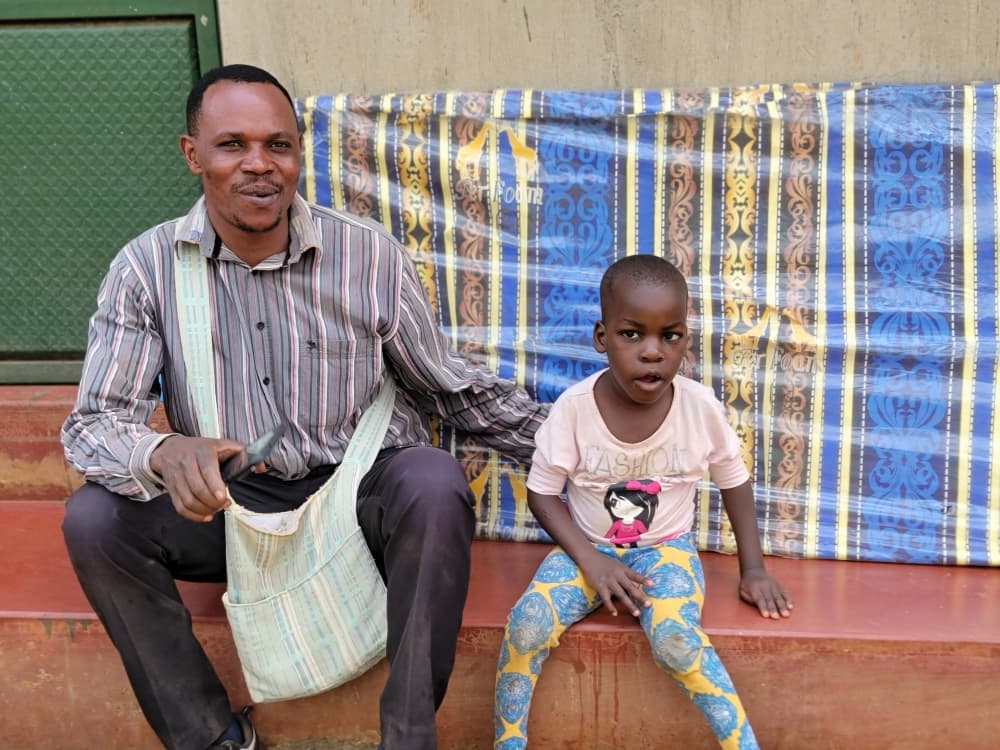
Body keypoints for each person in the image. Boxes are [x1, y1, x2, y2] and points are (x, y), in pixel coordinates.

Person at [60, 64, 547, 750]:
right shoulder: (146, 269)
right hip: (230, 511)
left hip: (355, 500)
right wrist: (161, 452)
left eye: (278, 145)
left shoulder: (366, 257)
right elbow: (92, 424)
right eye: (232, 145)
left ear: (298, 151)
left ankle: (408, 737)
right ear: (192, 154)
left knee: (433, 484)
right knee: (94, 520)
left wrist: (581, 446)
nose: (259, 166)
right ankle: (210, 738)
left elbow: (448, 386)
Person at [493, 254, 794, 750]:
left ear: (685, 341)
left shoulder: (699, 409)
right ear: (602, 338)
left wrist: (754, 569)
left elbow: (734, 480)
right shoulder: (574, 410)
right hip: (586, 549)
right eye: (632, 334)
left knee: (676, 639)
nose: (652, 352)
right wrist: (590, 560)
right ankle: (507, 742)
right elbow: (542, 492)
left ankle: (743, 744)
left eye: (669, 336)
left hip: (666, 551)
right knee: (526, 625)